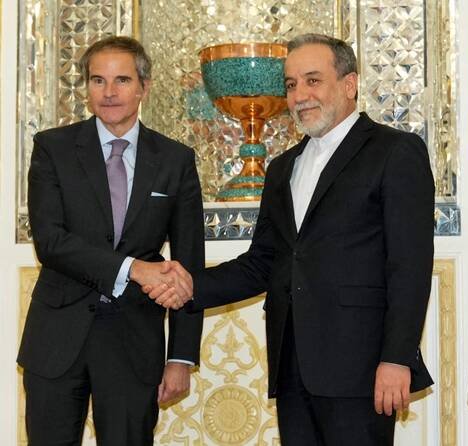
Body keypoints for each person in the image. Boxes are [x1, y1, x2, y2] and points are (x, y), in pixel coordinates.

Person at [150, 33, 434, 445]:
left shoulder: (395, 151)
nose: (300, 95)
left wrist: (396, 358)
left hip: (362, 369)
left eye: (313, 80)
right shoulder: (283, 168)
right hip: (292, 368)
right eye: (291, 84)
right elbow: (263, 262)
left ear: (349, 84)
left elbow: (409, 265)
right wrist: (191, 285)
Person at [17, 36, 204, 446]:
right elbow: (50, 242)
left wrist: (180, 357)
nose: (109, 92)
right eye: (98, 80)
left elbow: (189, 264)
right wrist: (134, 268)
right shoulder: (52, 148)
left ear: (144, 87)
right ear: (87, 87)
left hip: (133, 342)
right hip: (56, 338)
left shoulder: (175, 160)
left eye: (122, 80)